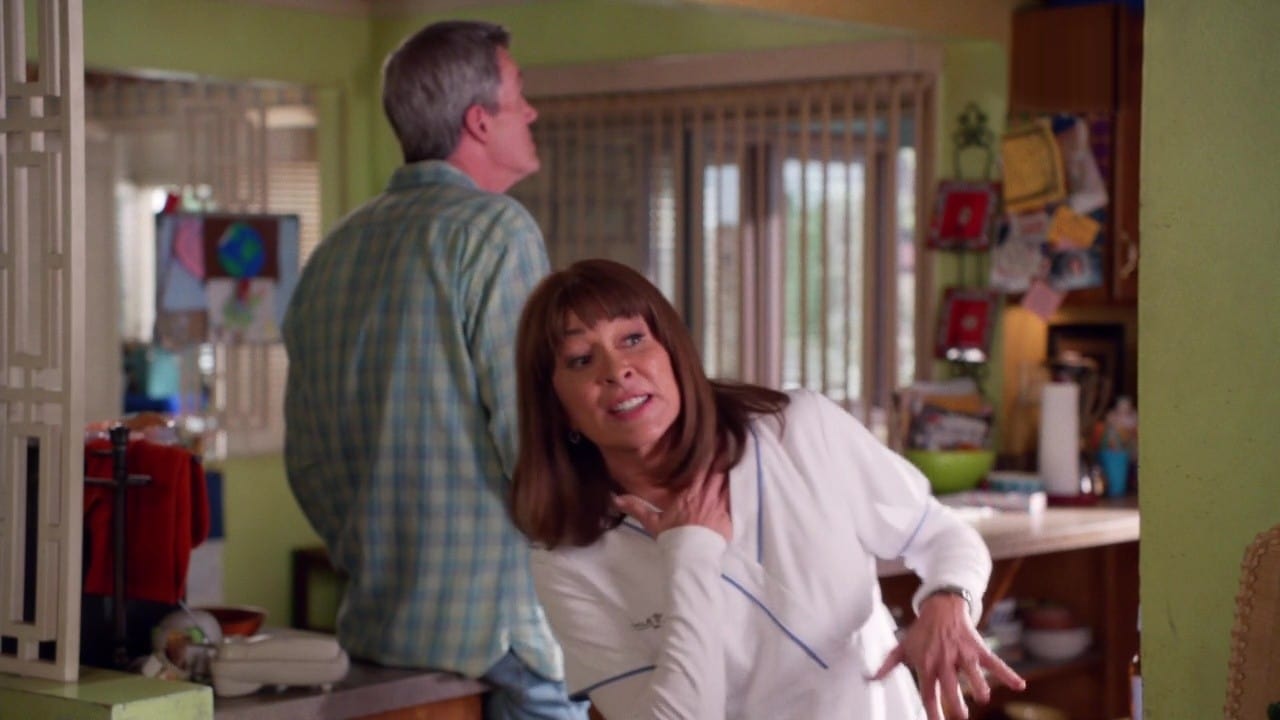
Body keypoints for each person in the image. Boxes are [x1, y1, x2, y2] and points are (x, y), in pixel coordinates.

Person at [509, 259, 1026, 719]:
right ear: (559, 409)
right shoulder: (568, 561)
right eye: (580, 359)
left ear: (673, 352)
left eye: (632, 339)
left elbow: (940, 534)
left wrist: (948, 598)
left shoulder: (797, 430)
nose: (616, 370)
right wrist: (690, 553)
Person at [283, 20, 586, 720]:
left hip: (380, 634)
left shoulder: (333, 251)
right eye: (519, 95)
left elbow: (309, 463)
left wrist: (381, 554)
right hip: (501, 639)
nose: (532, 112)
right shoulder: (497, 231)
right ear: (478, 121)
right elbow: (531, 442)